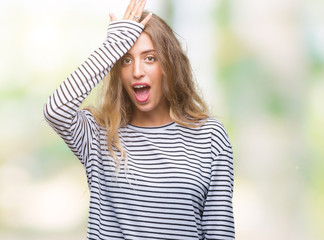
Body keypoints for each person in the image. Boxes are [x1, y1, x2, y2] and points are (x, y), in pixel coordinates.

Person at [43, 0, 235, 239]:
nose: (137, 71)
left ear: (170, 65)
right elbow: (55, 109)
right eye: (126, 60)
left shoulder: (210, 136)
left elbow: (220, 232)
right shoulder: (98, 135)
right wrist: (113, 46)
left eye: (150, 58)